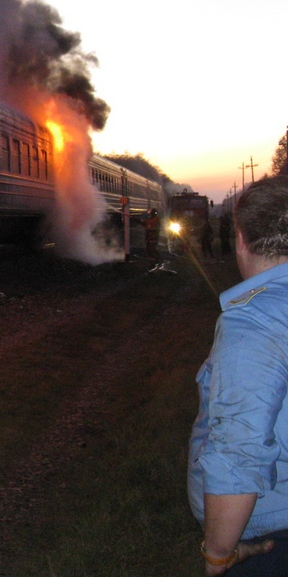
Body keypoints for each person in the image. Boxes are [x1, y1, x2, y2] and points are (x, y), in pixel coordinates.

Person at [188, 175, 288, 575]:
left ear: (241, 239)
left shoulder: (256, 320)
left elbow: (239, 450)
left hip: (270, 536)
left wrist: (219, 553)